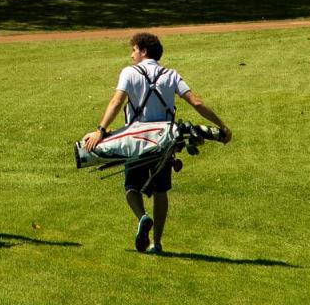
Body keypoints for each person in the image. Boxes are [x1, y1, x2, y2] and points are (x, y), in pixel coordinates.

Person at [80, 31, 231, 254]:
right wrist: (221, 126)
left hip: (136, 140)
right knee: (161, 191)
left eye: (133, 50)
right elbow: (196, 102)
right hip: (164, 142)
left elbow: (116, 101)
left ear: (143, 51)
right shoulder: (170, 74)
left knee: (131, 188)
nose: (131, 55)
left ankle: (143, 217)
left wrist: (100, 130)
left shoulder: (129, 73)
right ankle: (157, 243)